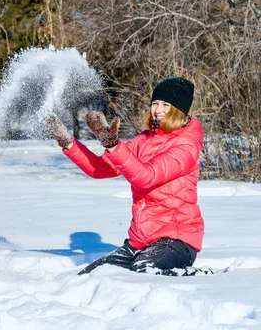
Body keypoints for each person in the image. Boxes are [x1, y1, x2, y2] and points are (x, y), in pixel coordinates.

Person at [49, 77, 208, 276]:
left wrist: (114, 146)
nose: (157, 110)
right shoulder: (145, 139)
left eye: (165, 105)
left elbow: (146, 177)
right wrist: (68, 143)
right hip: (140, 241)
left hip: (177, 240)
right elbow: (100, 169)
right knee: (92, 275)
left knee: (142, 271)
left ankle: (194, 277)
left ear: (178, 110)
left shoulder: (186, 145)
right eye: (155, 103)